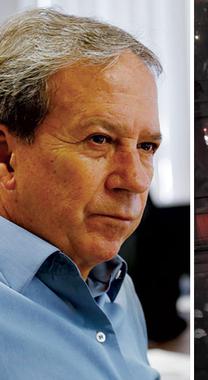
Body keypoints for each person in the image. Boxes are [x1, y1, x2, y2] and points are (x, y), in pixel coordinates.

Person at [0, 8, 162, 379]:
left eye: (147, 146)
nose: (135, 180)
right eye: (99, 139)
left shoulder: (117, 288)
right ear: (7, 157)